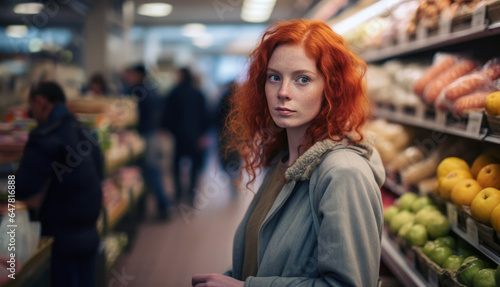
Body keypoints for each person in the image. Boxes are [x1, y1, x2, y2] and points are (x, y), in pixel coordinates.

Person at [192, 19, 385, 287]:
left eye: (302, 79)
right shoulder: (282, 160)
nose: (283, 92)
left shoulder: (343, 173)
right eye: (274, 77)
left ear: (332, 88)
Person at [16, 81, 103, 287]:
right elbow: (100, 171)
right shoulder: (85, 131)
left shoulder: (45, 136)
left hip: (61, 236)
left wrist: (7, 187)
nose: (32, 113)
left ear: (40, 101)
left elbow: (22, 187)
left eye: (32, 107)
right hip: (89, 231)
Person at [123, 64, 171, 220]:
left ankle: (158, 207)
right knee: (151, 170)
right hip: (152, 133)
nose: (126, 78)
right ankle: (160, 206)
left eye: (129, 74)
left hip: (143, 135)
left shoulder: (136, 91)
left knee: (149, 170)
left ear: (137, 75)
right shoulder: (152, 90)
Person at [161, 67, 209, 205]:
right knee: (194, 167)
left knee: (176, 166)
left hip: (178, 137)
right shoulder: (198, 93)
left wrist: (167, 129)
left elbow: (167, 114)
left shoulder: (174, 93)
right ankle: (192, 196)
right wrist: (203, 134)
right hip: (195, 136)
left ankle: (178, 194)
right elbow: (205, 115)